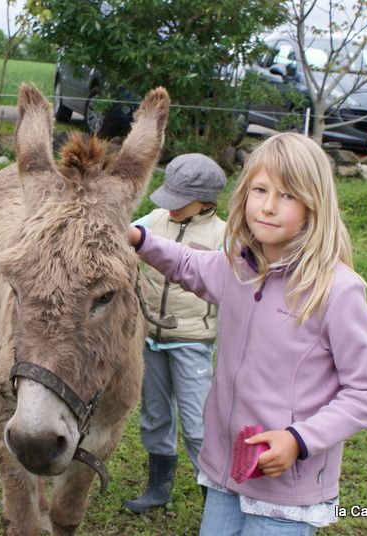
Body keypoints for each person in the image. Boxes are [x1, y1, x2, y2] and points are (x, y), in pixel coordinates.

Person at [128, 132, 367, 534]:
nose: (268, 206)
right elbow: (188, 265)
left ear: (314, 205)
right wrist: (140, 239)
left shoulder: (337, 290)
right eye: (260, 190)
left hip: (285, 486)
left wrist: (298, 439)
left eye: (287, 195)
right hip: (226, 469)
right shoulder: (238, 267)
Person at [123, 154, 227, 514]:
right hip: (150, 338)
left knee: (198, 423)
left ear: (206, 202)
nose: (171, 208)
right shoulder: (152, 221)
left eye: (180, 201)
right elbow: (122, 239)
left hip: (192, 343)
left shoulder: (223, 236)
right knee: (154, 415)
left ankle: (212, 496)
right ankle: (158, 487)